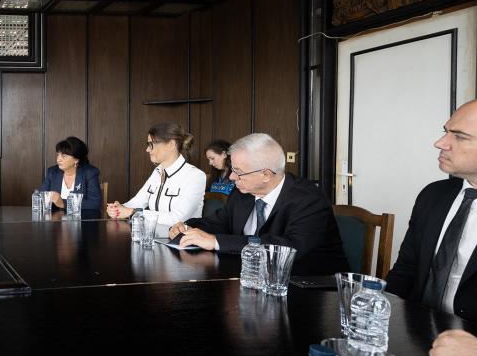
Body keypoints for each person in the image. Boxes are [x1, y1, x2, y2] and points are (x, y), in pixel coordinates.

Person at [169, 133, 348, 275]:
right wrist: (188, 227)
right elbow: (220, 222)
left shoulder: (309, 199)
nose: (232, 177)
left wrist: (215, 241)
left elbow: (288, 247)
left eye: (238, 171)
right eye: (232, 169)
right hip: (254, 280)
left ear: (266, 175)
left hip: (311, 287)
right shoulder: (243, 192)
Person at [386, 100, 477, 321]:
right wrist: (378, 314)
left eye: (460, 136)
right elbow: (406, 271)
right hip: (417, 329)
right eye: (446, 132)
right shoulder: (433, 195)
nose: (440, 143)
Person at [107, 123, 205, 236]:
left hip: (182, 242)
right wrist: (118, 208)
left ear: (171, 144)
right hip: (154, 238)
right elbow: (138, 201)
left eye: (151, 144)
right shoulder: (157, 171)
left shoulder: (195, 176)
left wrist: (133, 212)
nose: (147, 149)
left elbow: (177, 218)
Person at [38, 136, 102, 211]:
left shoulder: (89, 173)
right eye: (58, 155)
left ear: (76, 159)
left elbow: (95, 203)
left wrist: (63, 203)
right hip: (56, 217)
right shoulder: (52, 172)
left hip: (81, 218)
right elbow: (40, 198)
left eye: (64, 156)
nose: (58, 159)